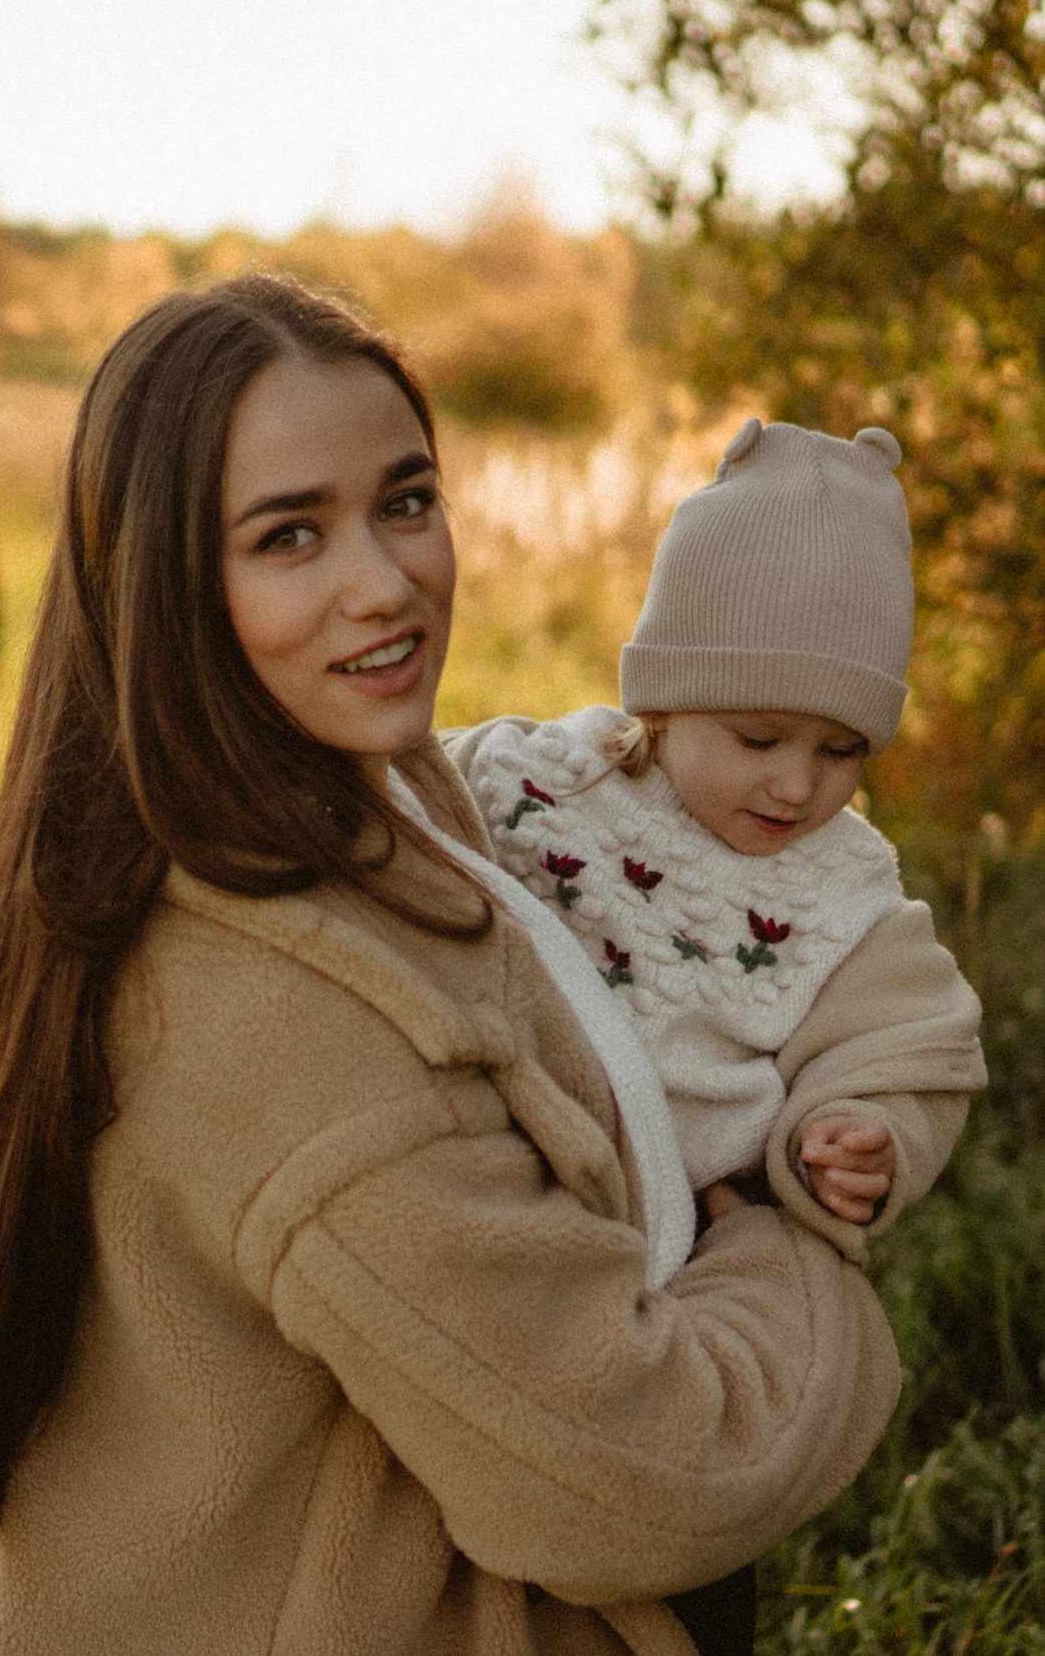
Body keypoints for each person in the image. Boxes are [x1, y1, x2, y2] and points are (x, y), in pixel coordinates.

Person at [0, 277, 901, 1656]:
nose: (386, 579)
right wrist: (792, 1240)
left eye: (406, 501)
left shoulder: (373, 806)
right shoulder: (284, 1015)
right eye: (289, 534)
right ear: (168, 581)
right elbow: (647, 1478)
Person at [443, 419, 986, 1654]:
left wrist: (850, 1136)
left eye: (840, 749)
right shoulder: (541, 782)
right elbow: (397, 812)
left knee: (680, 1582)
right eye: (757, 738)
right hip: (497, 1232)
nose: (797, 784)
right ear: (666, 690)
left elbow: (913, 1046)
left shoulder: (845, 897)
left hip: (681, 1284)